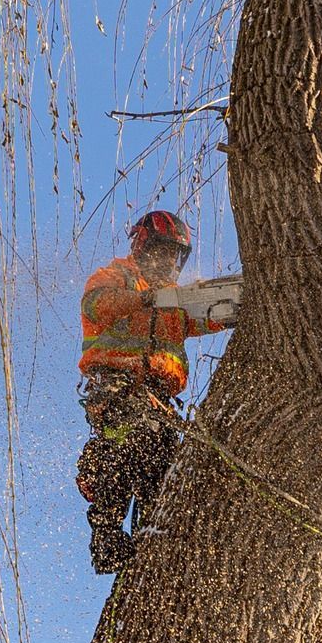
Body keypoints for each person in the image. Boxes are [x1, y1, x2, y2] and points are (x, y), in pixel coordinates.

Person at [75, 209, 233, 574]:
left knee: (165, 465)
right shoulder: (118, 277)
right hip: (115, 387)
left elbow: (205, 316)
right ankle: (106, 533)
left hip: (160, 397)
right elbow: (97, 305)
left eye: (176, 255)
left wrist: (229, 307)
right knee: (130, 443)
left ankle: (154, 531)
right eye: (164, 251)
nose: (169, 261)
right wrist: (144, 300)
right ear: (144, 247)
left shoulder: (174, 300)